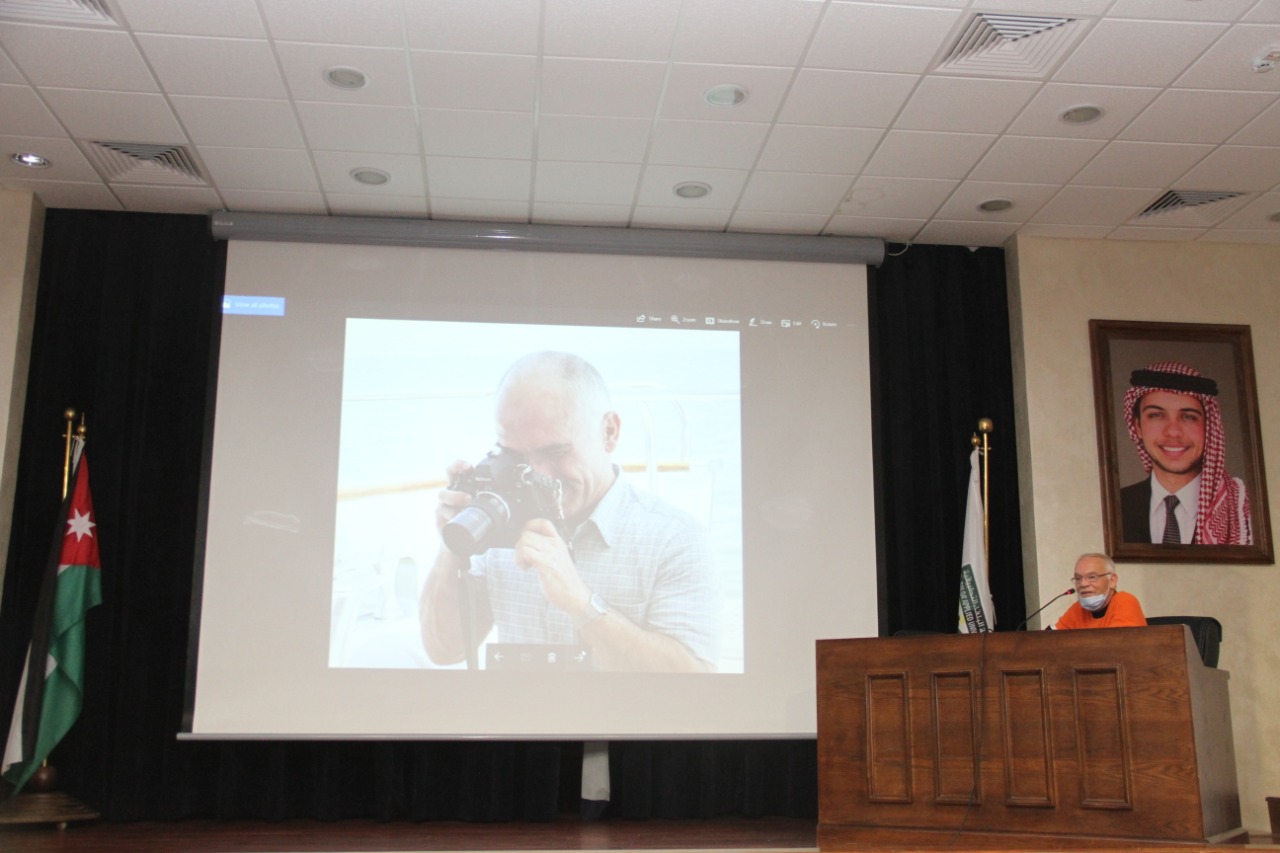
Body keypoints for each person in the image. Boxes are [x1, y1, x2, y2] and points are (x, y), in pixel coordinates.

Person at [420, 351, 719, 672]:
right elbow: (444, 650)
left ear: (609, 432)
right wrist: (454, 544)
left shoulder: (676, 539)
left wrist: (581, 603)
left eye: (555, 452)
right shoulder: (498, 522)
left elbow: (694, 681)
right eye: (513, 457)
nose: (536, 474)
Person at [1119, 360, 1251, 545]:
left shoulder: (1243, 510)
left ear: (1209, 427)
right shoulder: (1114, 506)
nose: (1173, 432)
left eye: (1189, 417)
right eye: (1156, 415)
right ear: (1137, 426)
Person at [1053, 553, 1146, 629]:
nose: (1083, 584)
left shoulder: (1124, 600)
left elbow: (1115, 642)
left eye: (1092, 577)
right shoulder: (1078, 609)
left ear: (1112, 580)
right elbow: (1050, 639)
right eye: (1078, 578)